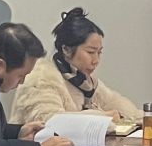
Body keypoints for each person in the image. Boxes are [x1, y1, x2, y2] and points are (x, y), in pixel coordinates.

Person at [14, 7, 142, 128]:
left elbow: (115, 102)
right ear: (66, 49)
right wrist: (104, 118)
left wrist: (143, 119)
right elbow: (49, 122)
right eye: (90, 52)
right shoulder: (41, 77)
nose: (96, 61)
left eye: (99, 52)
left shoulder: (84, 80)